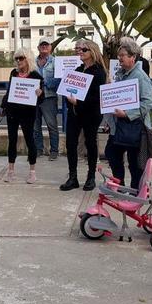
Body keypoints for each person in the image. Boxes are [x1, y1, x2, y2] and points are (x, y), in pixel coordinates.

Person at [103, 41, 152, 190]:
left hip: (135, 127)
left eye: (123, 55)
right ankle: (120, 186)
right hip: (119, 126)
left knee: (135, 163)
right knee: (112, 154)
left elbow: (148, 102)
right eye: (118, 55)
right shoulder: (121, 74)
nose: (119, 58)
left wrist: (127, 114)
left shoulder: (140, 76)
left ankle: (135, 191)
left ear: (133, 57)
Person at [59, 39, 108, 191]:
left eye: (83, 49)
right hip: (74, 114)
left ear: (92, 52)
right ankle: (72, 177)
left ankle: (91, 177)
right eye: (78, 49)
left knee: (91, 144)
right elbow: (68, 89)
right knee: (70, 144)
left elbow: (97, 97)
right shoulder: (78, 70)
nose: (79, 51)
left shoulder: (99, 72)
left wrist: (78, 102)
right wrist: (70, 101)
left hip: (91, 114)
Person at [0, 47, 44, 184]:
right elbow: (9, 91)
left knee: (30, 140)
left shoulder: (36, 76)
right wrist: (3, 106)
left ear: (28, 59)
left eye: (21, 58)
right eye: (16, 58)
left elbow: (41, 99)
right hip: (12, 112)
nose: (18, 61)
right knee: (12, 140)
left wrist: (40, 94)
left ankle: (32, 172)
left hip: (27, 113)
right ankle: (11, 171)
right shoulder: (14, 73)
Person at [34, 38, 60, 161]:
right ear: (38, 47)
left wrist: (44, 83)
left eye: (46, 44)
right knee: (35, 126)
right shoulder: (32, 62)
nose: (44, 46)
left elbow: (59, 80)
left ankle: (54, 150)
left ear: (50, 47)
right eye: (42, 45)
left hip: (49, 97)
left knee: (51, 125)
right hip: (34, 98)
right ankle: (38, 149)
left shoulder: (56, 62)